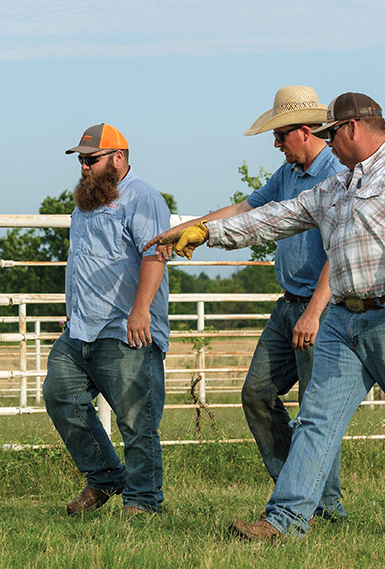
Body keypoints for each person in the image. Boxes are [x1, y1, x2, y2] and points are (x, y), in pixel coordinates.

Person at [157, 92, 385, 542]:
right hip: (342, 318)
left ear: (352, 127)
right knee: (315, 420)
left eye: (331, 134)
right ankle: (286, 521)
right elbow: (275, 218)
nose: (328, 143)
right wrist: (208, 232)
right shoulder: (336, 187)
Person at [148, 86, 346, 519]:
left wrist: (314, 310)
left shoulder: (338, 175)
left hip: (323, 307)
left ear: (306, 130)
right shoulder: (288, 174)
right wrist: (188, 228)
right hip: (289, 303)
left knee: (315, 414)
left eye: (280, 135)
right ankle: (298, 490)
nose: (276, 144)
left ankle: (323, 507)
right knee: (256, 394)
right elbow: (245, 207)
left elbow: (341, 250)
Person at [44, 123, 171, 517]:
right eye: (81, 160)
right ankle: (105, 476)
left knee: (136, 417)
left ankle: (144, 500)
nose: (84, 167)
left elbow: (155, 255)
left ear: (118, 158)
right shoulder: (85, 204)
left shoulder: (143, 198)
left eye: (91, 159)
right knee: (60, 395)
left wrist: (140, 311)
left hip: (125, 326)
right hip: (81, 326)